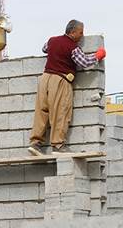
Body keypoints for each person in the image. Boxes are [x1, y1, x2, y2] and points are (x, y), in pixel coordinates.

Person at [28, 20, 106, 156]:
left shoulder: (52, 40)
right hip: (60, 80)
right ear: (72, 32)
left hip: (45, 78)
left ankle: (36, 144)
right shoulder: (72, 47)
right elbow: (84, 62)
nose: (82, 35)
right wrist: (98, 55)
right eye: (81, 32)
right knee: (60, 112)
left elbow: (44, 48)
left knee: (42, 111)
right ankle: (58, 145)